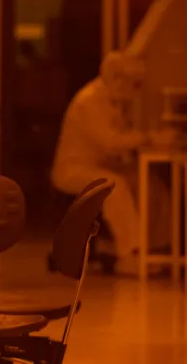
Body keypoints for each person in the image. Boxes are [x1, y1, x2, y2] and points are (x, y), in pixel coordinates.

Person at [51, 51, 174, 276]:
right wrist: (149, 138)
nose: (136, 91)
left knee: (150, 184)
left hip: (100, 166)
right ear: (117, 79)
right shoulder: (90, 101)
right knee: (114, 186)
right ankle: (129, 254)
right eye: (134, 84)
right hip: (75, 169)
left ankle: (157, 249)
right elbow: (112, 142)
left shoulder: (114, 102)